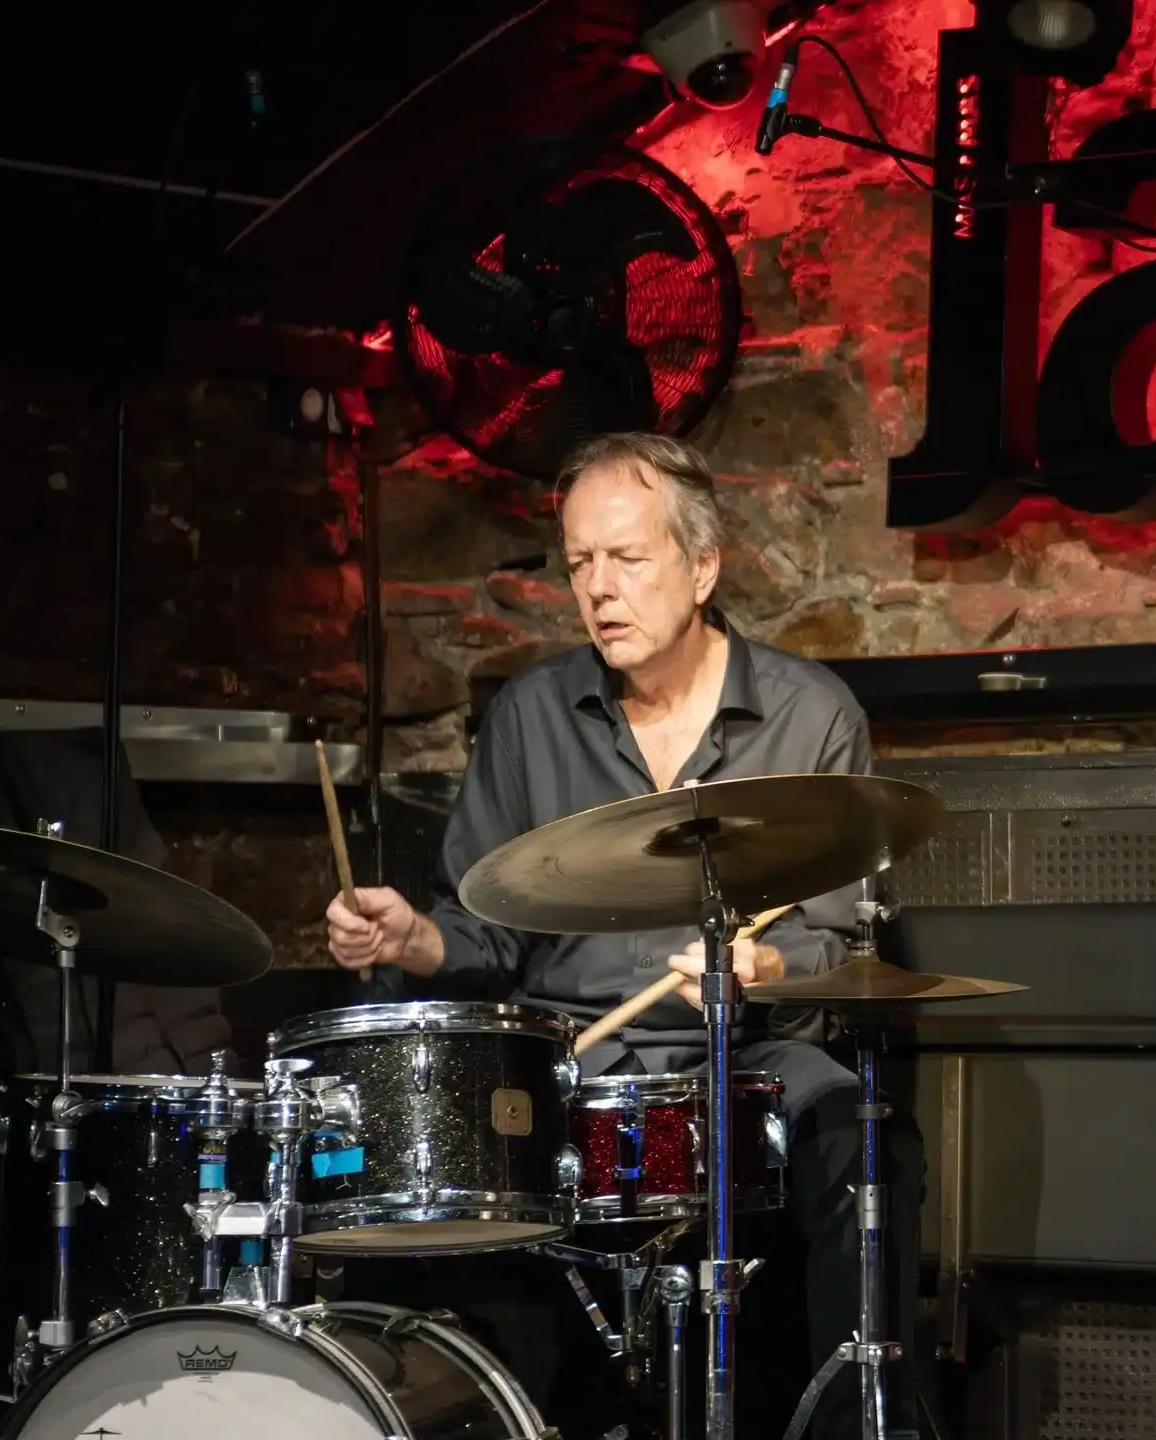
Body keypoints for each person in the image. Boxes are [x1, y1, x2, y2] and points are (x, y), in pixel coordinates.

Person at [325, 431, 923, 1439]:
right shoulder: (530, 717)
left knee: (867, 1145)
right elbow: (485, 932)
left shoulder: (810, 714)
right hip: (571, 1055)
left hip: (750, 1054)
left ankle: (854, 1425)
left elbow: (838, 946)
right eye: (580, 563)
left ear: (703, 567)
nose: (599, 589)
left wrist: (762, 968)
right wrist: (414, 941)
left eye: (628, 558)